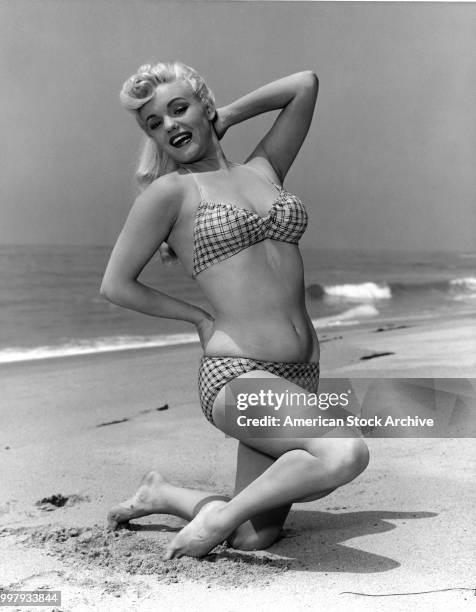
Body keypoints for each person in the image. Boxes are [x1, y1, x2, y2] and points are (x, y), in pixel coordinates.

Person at [100, 61, 369, 560]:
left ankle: (160, 494)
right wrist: (199, 319)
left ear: (205, 106)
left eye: (179, 109)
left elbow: (305, 84)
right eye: (154, 124)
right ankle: (214, 520)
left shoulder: (264, 171)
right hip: (237, 373)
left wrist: (229, 114)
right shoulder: (171, 192)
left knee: (255, 537)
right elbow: (116, 285)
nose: (170, 126)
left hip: (300, 373)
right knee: (344, 451)